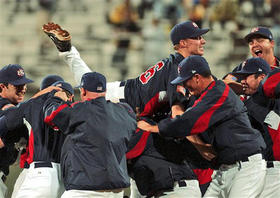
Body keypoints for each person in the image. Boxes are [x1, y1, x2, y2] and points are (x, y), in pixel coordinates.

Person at [42, 21, 214, 195]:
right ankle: (67, 51)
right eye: (198, 37)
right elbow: (178, 115)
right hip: (128, 102)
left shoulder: (176, 64)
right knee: (89, 87)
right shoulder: (179, 67)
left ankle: (67, 50)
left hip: (128, 93)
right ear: (183, 43)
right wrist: (200, 146)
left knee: (89, 81)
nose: (203, 41)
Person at [137, 55, 267, 198]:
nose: (185, 86)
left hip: (246, 167)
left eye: (185, 81)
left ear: (197, 77)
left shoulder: (218, 93)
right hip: (225, 169)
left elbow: (187, 122)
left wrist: (153, 128)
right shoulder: (206, 94)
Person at [43, 72, 137, 198]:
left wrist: (55, 98)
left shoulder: (80, 109)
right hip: (117, 191)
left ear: (83, 91)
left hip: (85, 189)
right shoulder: (125, 111)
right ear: (105, 90)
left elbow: (51, 115)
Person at [0, 79, 72, 198]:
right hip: (67, 179)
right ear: (71, 96)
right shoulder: (78, 110)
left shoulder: (34, 106)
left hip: (39, 172)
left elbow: (7, 121)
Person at [231, 57, 280, 198]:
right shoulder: (246, 103)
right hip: (260, 169)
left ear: (262, 77)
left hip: (274, 170)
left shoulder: (270, 96)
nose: (242, 81)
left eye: (246, 76)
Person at [0, 64, 32, 198]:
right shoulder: (7, 107)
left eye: (24, 85)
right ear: (2, 86)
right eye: (17, 85)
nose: (23, 89)